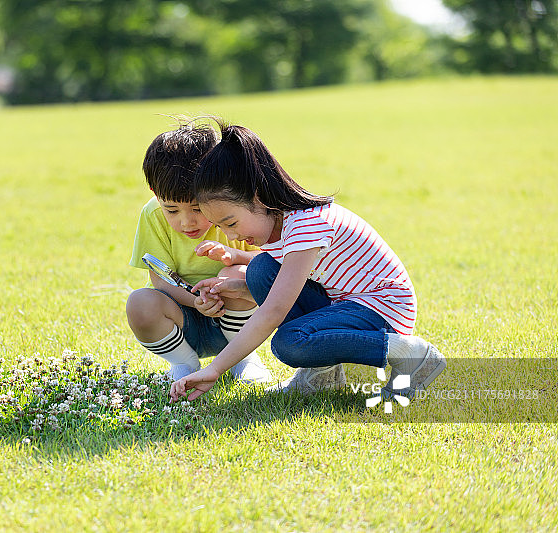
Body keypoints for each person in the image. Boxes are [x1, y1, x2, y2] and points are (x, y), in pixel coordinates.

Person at [169, 121, 446, 402]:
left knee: (290, 343)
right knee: (261, 270)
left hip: (382, 309)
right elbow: (289, 284)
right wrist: (238, 289)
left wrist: (215, 369)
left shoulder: (306, 225)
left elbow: (275, 310)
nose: (231, 235)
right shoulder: (280, 225)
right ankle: (322, 374)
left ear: (258, 196)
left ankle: (409, 353)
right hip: (346, 302)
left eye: (231, 223)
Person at [126, 119, 273, 383]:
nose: (186, 222)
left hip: (236, 319)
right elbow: (159, 279)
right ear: (154, 193)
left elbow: (271, 261)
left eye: (197, 208)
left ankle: (242, 359)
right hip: (182, 320)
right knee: (140, 302)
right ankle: (184, 364)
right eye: (172, 210)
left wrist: (234, 257)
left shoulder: (235, 213)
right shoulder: (152, 214)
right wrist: (196, 302)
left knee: (236, 274)